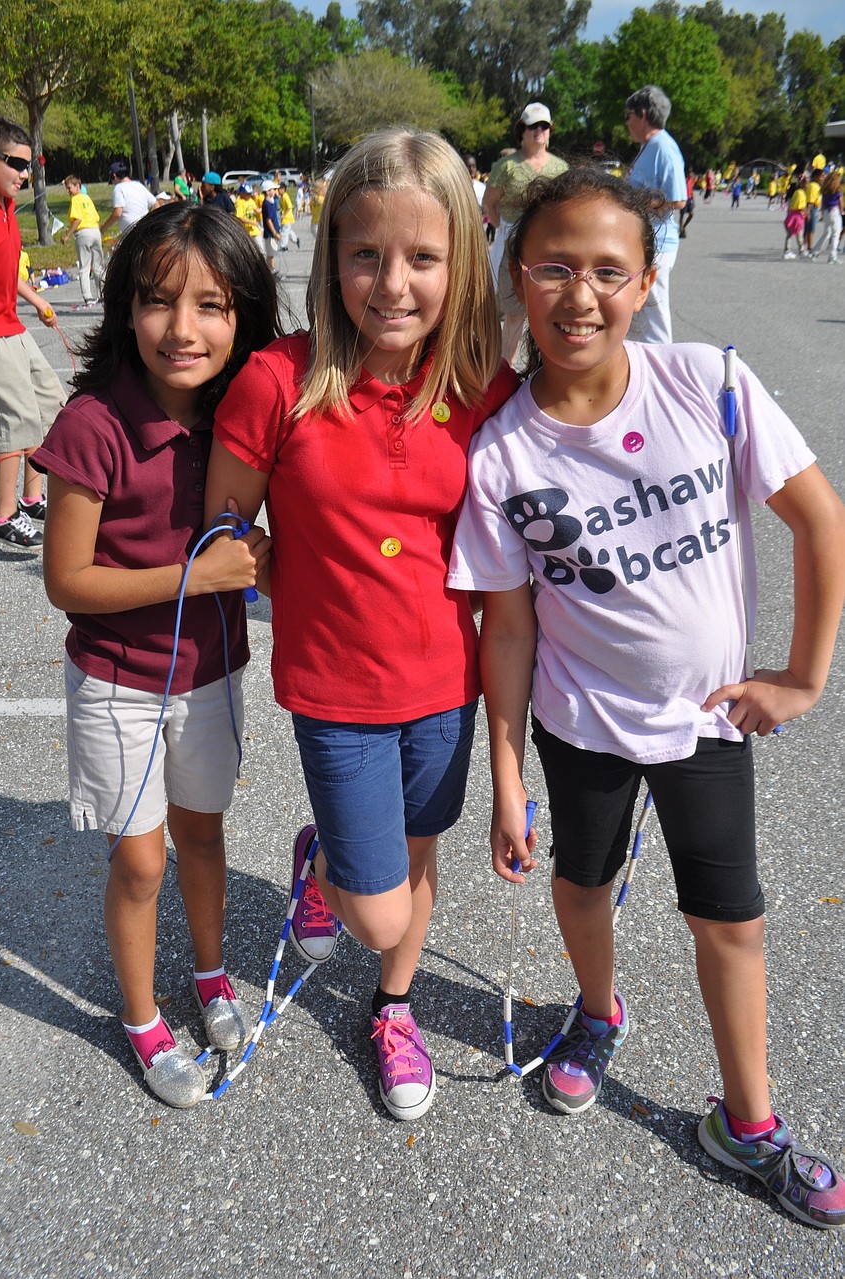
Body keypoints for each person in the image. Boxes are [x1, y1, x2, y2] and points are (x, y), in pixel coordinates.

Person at [448, 166, 845, 1231]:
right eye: (555, 268)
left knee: (732, 923)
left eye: (608, 271)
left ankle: (748, 1123)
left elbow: (820, 518)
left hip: (709, 717)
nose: (580, 295)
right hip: (580, 727)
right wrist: (502, 772)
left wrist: (800, 674)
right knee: (583, 887)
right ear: (517, 279)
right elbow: (511, 625)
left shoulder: (706, 380)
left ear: (646, 279)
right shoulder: (501, 453)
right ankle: (592, 1011)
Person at [205, 127, 519, 1123]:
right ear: (332, 255)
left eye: (423, 258)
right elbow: (225, 531)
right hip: (335, 683)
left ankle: (394, 1007)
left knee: (417, 864)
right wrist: (236, 561)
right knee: (374, 904)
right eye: (365, 254)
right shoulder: (276, 382)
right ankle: (326, 861)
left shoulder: (483, 390)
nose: (392, 283)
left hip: (445, 682)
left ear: (458, 265)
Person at [34, 204, 280, 1108]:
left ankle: (211, 976)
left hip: (211, 673)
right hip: (115, 682)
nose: (184, 329)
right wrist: (196, 574)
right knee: (139, 863)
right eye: (158, 301)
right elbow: (67, 579)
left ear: (243, 315)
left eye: (213, 305)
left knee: (204, 834)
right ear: (125, 307)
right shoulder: (95, 421)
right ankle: (141, 1014)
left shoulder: (246, 415)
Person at [0, 116, 64, 547]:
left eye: (29, 166)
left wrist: (36, 299)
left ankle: (31, 496)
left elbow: (6, 271)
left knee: (51, 404)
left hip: (13, 325)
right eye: (16, 164)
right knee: (17, 420)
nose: (25, 174)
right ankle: (3, 516)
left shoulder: (7, 209)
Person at [482, 104, 568, 365]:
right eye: (533, 126)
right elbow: (489, 204)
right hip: (512, 245)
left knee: (550, 310)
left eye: (544, 126)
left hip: (550, 249)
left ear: (550, 131)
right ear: (522, 131)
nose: (539, 131)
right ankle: (505, 371)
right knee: (514, 313)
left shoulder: (561, 167)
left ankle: (547, 370)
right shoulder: (505, 166)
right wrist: (506, 229)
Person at [625, 84, 686, 344]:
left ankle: (664, 370)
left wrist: (633, 199)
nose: (626, 123)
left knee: (654, 316)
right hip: (644, 241)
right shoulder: (649, 146)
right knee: (639, 314)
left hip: (658, 244)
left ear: (641, 114)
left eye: (628, 116)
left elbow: (678, 199)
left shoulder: (663, 146)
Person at [61, 174, 104, 308]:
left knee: (84, 267)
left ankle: (88, 297)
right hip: (95, 231)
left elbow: (77, 219)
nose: (68, 191)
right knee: (98, 265)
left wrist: (68, 235)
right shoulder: (87, 198)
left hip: (84, 232)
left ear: (77, 186)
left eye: (70, 188)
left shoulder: (76, 199)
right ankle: (103, 294)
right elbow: (96, 216)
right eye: (67, 189)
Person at [99, 162, 157, 236]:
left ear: (114, 176)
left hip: (131, 231)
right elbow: (155, 203)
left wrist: (103, 228)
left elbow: (117, 213)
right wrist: (152, 219)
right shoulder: (139, 185)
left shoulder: (119, 188)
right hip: (144, 226)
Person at [813, 170, 843, 263]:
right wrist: (841, 212)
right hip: (834, 211)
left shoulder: (825, 190)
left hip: (826, 211)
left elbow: (823, 203)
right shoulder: (837, 190)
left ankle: (814, 251)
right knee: (835, 234)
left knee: (826, 233)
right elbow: (841, 203)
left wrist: (822, 213)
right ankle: (832, 256)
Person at [783, 174, 807, 259]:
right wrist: (806, 212)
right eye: (806, 183)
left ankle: (787, 250)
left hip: (792, 214)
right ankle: (801, 250)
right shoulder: (801, 193)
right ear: (802, 184)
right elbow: (800, 206)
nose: (807, 185)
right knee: (799, 234)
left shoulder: (797, 192)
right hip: (798, 216)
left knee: (790, 234)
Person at [260, 179, 281, 269]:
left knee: (272, 253)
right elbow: (269, 220)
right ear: (267, 192)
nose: (275, 191)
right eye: (273, 189)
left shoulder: (271, 202)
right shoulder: (266, 204)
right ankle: (271, 271)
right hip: (270, 234)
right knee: (270, 254)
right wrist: (275, 233)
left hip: (273, 233)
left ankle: (272, 269)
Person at [277, 182, 299, 250]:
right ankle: (296, 239)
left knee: (284, 232)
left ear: (283, 189)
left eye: (279, 189)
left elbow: (289, 207)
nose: (278, 190)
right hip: (285, 218)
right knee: (288, 231)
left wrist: (284, 214)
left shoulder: (285, 196)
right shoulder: (282, 197)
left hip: (287, 217)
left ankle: (284, 246)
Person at [679, 170, 695, 238]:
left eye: (692, 173)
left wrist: (693, 200)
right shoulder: (683, 180)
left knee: (691, 214)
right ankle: (681, 230)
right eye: (690, 173)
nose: (691, 174)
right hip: (683, 198)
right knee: (682, 215)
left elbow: (691, 190)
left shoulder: (691, 180)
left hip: (689, 199)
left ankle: (683, 227)